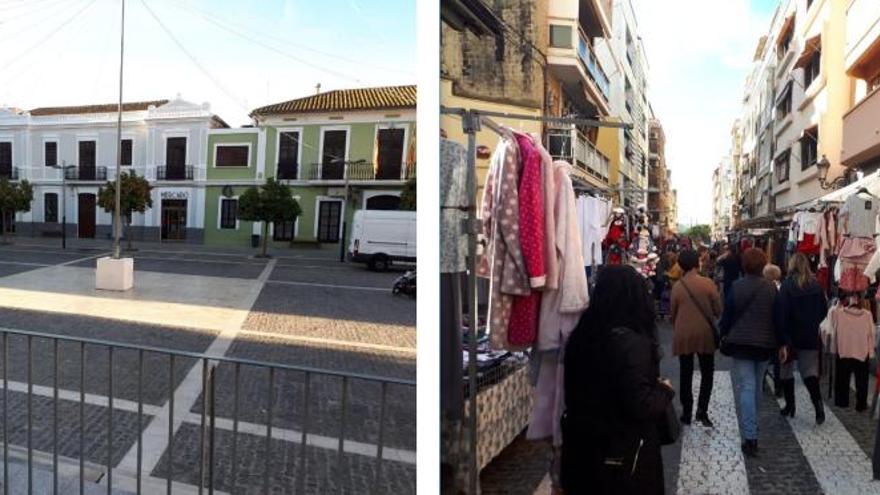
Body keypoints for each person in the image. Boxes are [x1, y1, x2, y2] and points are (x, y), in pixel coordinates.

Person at [561, 265, 674, 494]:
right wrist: (665, 390)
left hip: (582, 451)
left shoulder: (581, 337)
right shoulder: (633, 344)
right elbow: (641, 405)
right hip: (625, 456)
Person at [719, 248, 784, 458]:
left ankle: (750, 436)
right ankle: (752, 428)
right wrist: (782, 344)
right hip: (764, 344)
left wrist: (722, 333)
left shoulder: (737, 287)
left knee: (747, 387)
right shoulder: (771, 289)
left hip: (741, 343)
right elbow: (778, 319)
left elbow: (727, 317)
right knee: (755, 387)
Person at [774, 253, 828, 424]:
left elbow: (781, 313)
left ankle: (790, 405)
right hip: (809, 334)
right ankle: (818, 406)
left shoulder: (787, 286)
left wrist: (782, 337)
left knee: (786, 371)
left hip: (790, 335)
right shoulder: (816, 285)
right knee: (810, 373)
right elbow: (823, 311)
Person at [670, 250, 722, 427]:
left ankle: (686, 412)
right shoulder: (707, 283)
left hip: (683, 334)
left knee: (686, 373)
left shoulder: (677, 287)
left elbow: (672, 314)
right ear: (696, 264)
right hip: (704, 334)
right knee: (707, 373)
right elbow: (718, 310)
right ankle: (702, 410)